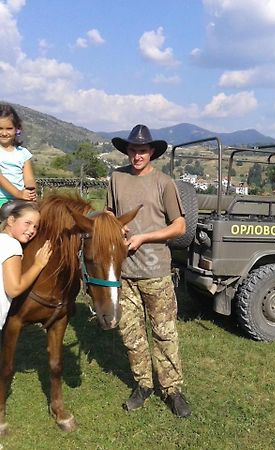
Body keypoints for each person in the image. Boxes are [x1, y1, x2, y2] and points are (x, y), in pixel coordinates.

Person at [106, 124, 191, 418]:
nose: (137, 155)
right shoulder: (116, 177)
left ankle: (172, 390)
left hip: (156, 271)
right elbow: (107, 212)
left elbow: (180, 226)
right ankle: (143, 385)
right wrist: (117, 223)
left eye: (142, 150)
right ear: (126, 150)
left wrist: (143, 237)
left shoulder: (164, 183)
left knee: (164, 334)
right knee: (131, 335)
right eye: (133, 149)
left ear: (151, 151)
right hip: (124, 273)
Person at [0, 200, 52, 329]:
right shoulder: (12, 245)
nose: (31, 230)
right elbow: (14, 289)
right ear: (11, 221)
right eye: (27, 223)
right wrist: (38, 264)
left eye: (36, 227)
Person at [0, 104, 37, 207]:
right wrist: (18, 193)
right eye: (0, 128)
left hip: (20, 200)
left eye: (9, 128)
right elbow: (0, 178)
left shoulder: (23, 153)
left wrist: (30, 190)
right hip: (2, 199)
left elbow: (29, 178)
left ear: (17, 129)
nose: (4, 133)